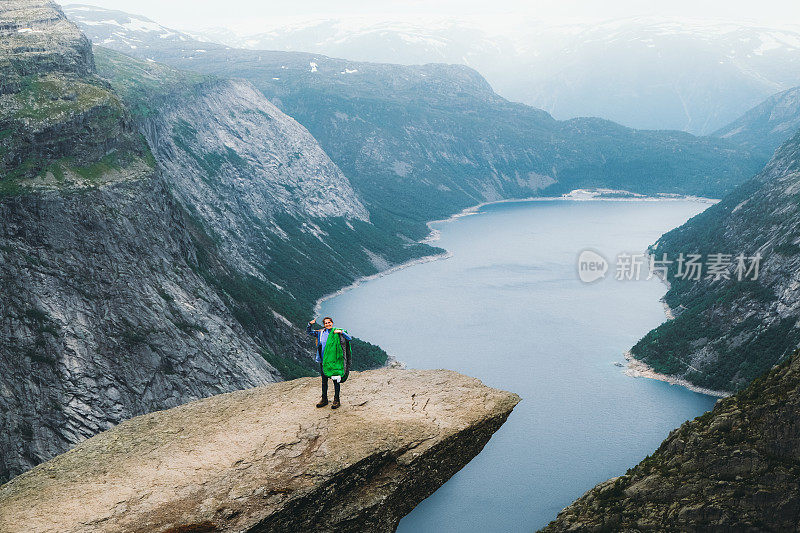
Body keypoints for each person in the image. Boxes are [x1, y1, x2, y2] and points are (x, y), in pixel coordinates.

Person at [306, 317, 352, 409]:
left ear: (332, 323)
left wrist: (341, 332)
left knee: (335, 381)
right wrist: (310, 324)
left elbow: (349, 338)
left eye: (329, 322)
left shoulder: (338, 331)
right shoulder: (321, 333)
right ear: (324, 324)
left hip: (334, 361)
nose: (328, 324)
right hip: (323, 360)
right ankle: (324, 399)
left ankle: (336, 400)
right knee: (324, 381)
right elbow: (309, 332)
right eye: (326, 323)